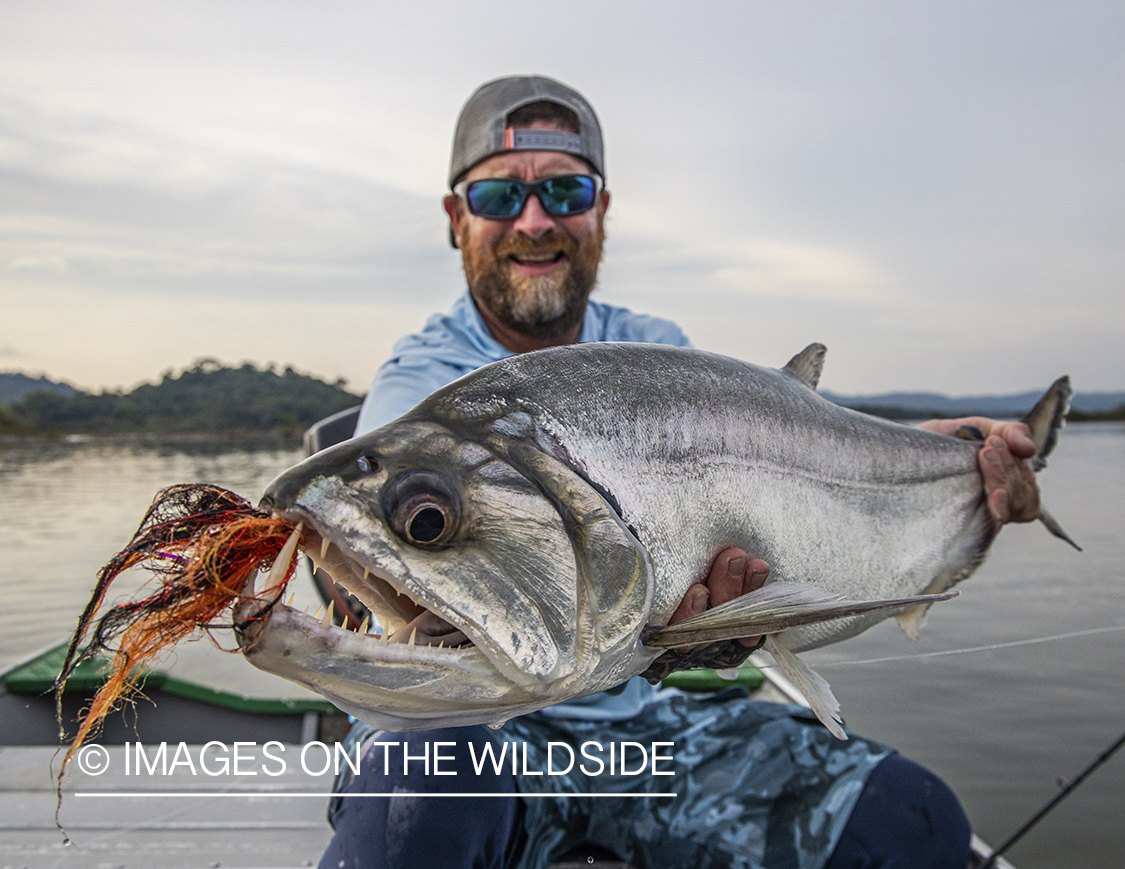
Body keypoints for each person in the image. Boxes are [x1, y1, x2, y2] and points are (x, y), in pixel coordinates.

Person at [321, 75, 1040, 869]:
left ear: (601, 210)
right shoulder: (420, 386)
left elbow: (788, 453)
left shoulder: (653, 346)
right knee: (415, 813)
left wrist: (936, 453)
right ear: (457, 219)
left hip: (645, 726)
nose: (534, 221)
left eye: (565, 189)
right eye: (499, 195)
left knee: (911, 819)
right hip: (483, 736)